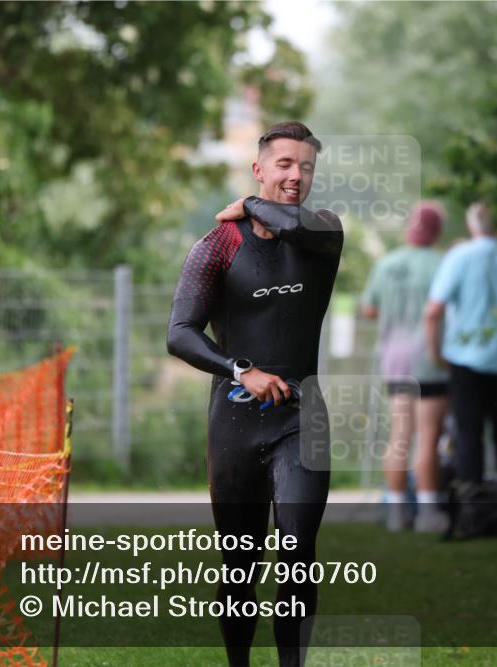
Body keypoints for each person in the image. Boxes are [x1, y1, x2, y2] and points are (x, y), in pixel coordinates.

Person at [167, 120, 343, 667]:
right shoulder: (219, 244)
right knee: (241, 569)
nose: (296, 175)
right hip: (235, 425)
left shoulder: (324, 233)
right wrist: (240, 369)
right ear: (260, 167)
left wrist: (248, 202)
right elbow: (180, 334)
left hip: (301, 420)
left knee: (298, 554)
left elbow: (287, 223)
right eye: (284, 164)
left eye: (306, 166)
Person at [360, 201, 450, 532]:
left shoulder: (387, 264)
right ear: (436, 230)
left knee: (399, 436)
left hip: (395, 362)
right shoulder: (443, 264)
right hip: (430, 361)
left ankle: (396, 513)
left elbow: (368, 309)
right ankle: (427, 513)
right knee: (427, 438)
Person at [424, 202, 497, 487]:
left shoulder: (460, 256)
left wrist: (436, 353)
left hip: (465, 357)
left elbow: (433, 311)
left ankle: (472, 501)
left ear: (472, 225)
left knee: (469, 433)